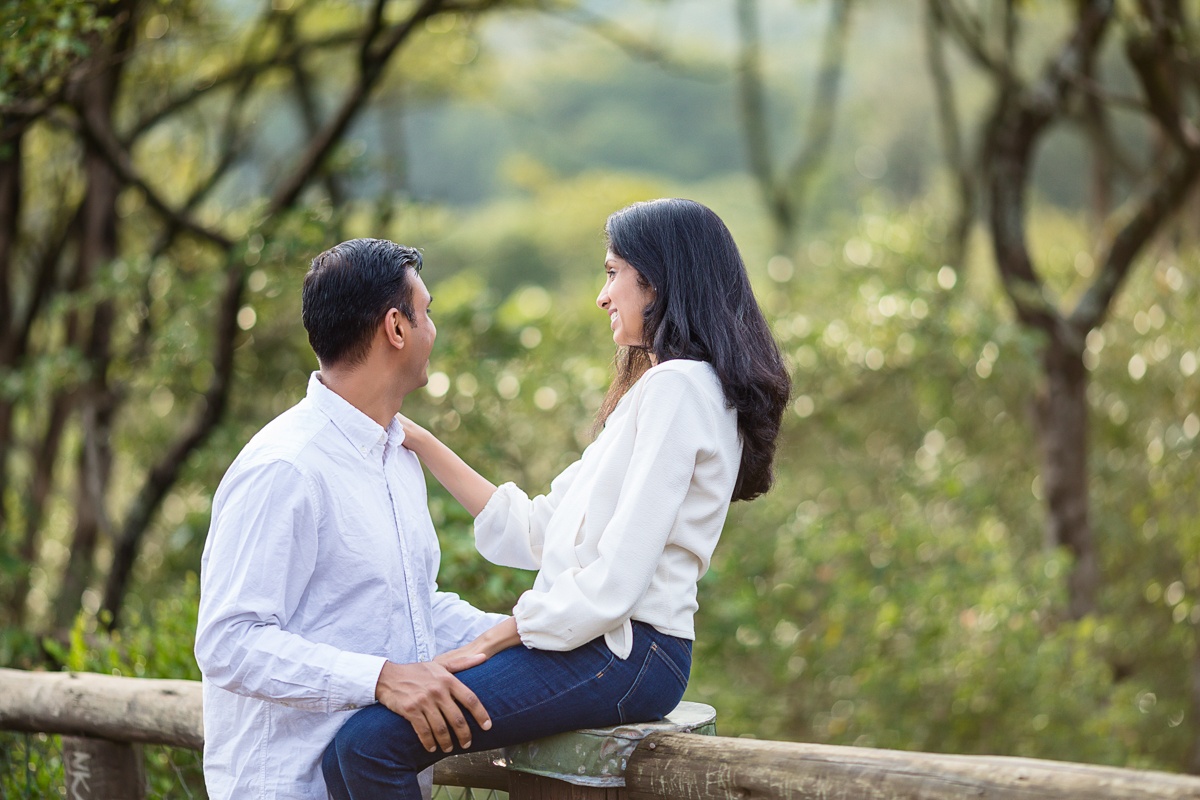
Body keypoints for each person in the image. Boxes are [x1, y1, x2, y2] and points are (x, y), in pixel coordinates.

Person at [321, 198, 792, 800]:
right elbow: (538, 529)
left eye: (613, 272)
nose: (604, 295)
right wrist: (411, 436)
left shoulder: (678, 388)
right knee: (349, 751)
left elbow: (615, 581)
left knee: (369, 744)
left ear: (660, 280)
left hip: (628, 651)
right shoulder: (664, 388)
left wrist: (492, 639)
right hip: (614, 647)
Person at [194, 239, 508, 800]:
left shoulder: (397, 455)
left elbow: (410, 603)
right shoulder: (285, 467)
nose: (433, 329)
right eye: (427, 312)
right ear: (396, 327)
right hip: (288, 787)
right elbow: (228, 641)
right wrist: (381, 678)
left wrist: (527, 633)